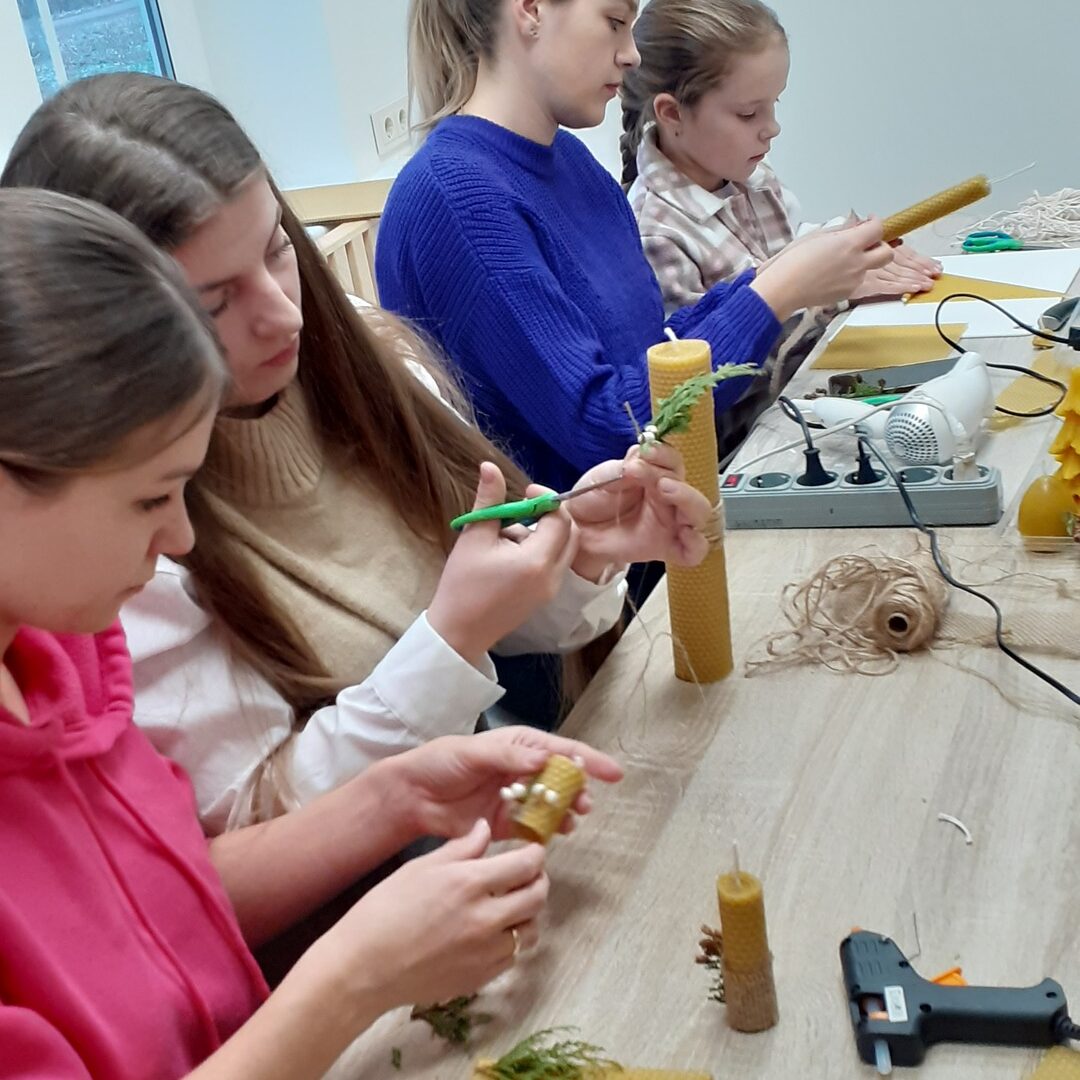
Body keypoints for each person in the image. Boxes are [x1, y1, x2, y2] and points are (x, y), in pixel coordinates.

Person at [0, 186, 623, 1079]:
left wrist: (393, 798)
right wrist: (352, 980)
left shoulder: (68, 655)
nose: (180, 537)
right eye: (148, 498)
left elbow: (170, 899)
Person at [3, 72, 708, 832]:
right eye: (213, 302)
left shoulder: (365, 360)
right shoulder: (118, 544)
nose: (283, 316)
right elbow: (246, 830)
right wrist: (454, 635)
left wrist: (573, 558)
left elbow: (492, 619)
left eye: (278, 249)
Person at [376, 0, 893, 490]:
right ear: (531, 9)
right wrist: (777, 291)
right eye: (614, 21)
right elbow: (611, 429)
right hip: (577, 551)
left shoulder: (572, 163)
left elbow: (656, 352)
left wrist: (782, 274)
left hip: (652, 522)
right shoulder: (457, 198)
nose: (631, 54)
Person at [622, 0, 942, 321]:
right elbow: (713, 344)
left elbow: (779, 249)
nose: (773, 128)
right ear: (672, 113)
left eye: (774, 102)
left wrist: (846, 245)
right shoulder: (656, 236)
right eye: (748, 113)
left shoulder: (752, 176)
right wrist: (832, 293)